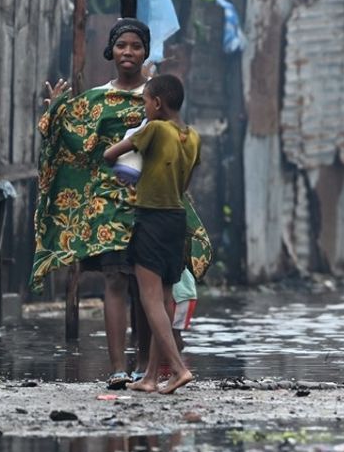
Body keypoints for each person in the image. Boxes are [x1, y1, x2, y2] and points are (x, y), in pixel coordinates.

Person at [33, 20, 211, 390]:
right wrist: (56, 111)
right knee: (115, 279)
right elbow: (75, 142)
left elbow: (173, 147)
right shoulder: (96, 99)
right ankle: (118, 368)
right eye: (121, 46)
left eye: (135, 46)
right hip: (106, 202)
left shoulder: (158, 96)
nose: (127, 52)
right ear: (111, 51)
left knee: (145, 286)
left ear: (146, 52)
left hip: (151, 203)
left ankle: (146, 366)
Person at [104, 74, 199, 395]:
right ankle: (150, 377)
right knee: (167, 299)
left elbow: (110, 155)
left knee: (150, 298)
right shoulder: (192, 137)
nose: (143, 107)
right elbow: (184, 185)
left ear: (157, 103)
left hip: (152, 218)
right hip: (176, 219)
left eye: (145, 101)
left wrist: (131, 146)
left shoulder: (154, 129)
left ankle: (178, 368)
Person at [171, 268, 197, 353]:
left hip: (181, 296)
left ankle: (176, 360)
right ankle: (175, 359)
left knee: (174, 331)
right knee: (173, 331)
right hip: (182, 295)